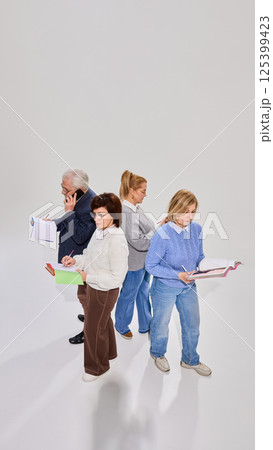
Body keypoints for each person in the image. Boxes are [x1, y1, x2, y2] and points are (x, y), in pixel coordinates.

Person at [62, 193, 129, 381]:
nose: (96, 219)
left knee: (92, 327)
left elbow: (117, 278)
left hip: (105, 290)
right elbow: (88, 256)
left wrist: (87, 276)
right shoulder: (99, 232)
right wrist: (75, 260)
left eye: (101, 214)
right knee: (103, 321)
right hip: (94, 285)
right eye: (95, 214)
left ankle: (97, 368)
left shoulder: (116, 239)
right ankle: (110, 354)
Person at [145, 189, 212, 376]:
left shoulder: (197, 229)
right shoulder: (163, 234)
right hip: (164, 288)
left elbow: (199, 256)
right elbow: (151, 266)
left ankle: (190, 360)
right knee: (161, 324)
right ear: (175, 209)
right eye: (185, 211)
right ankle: (158, 354)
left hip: (189, 286)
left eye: (192, 211)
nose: (189, 216)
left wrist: (209, 266)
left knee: (192, 324)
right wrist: (178, 275)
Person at [54, 169, 96, 344]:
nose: (63, 192)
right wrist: (54, 223)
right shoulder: (78, 197)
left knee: (86, 296)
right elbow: (72, 220)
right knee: (83, 294)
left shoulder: (92, 205)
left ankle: (90, 329)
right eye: (62, 187)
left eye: (66, 189)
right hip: (76, 256)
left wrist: (69, 212)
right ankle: (88, 315)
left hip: (85, 260)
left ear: (80, 189)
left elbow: (80, 236)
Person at [115, 170, 155, 339]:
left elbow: (148, 229)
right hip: (133, 264)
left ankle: (146, 324)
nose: (145, 194)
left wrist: (158, 227)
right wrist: (157, 238)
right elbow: (137, 241)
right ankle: (121, 325)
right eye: (142, 191)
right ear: (131, 191)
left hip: (144, 261)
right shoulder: (126, 212)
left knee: (143, 292)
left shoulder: (135, 208)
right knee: (129, 295)